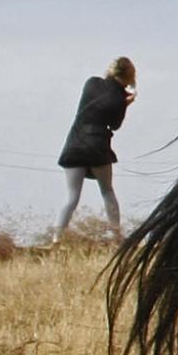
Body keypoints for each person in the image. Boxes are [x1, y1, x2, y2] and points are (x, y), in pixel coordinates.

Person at [53, 57, 134, 242]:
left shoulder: (91, 83)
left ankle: (56, 239)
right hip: (97, 147)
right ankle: (116, 237)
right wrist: (126, 104)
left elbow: (96, 103)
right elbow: (114, 125)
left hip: (75, 144)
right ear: (130, 76)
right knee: (107, 191)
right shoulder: (120, 98)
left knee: (72, 196)